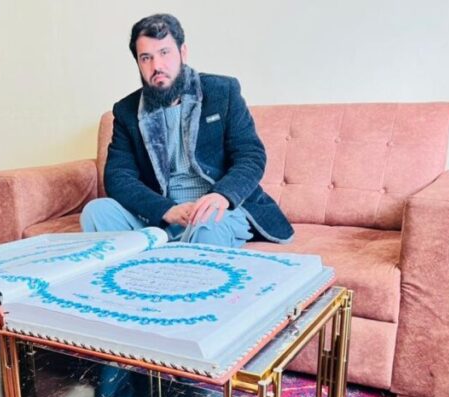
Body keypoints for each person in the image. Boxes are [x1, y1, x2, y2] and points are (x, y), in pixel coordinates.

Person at [80, 13, 294, 248]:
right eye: (146, 58)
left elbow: (251, 156)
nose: (156, 66)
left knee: (207, 225)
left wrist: (222, 196)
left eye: (164, 53)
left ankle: (173, 260)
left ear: (183, 52)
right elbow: (118, 176)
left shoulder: (222, 92)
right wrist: (166, 210)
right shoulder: (127, 111)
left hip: (214, 211)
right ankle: (155, 261)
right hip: (159, 215)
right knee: (96, 212)